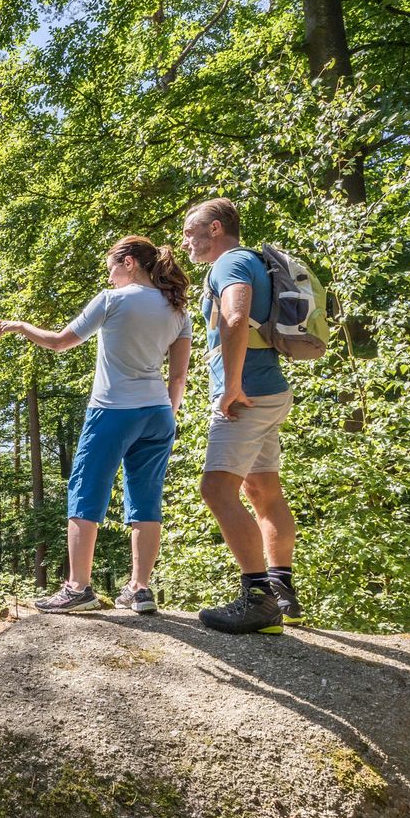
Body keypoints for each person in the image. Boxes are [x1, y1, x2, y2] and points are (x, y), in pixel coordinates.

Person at [0, 235, 192, 614]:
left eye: (112, 267)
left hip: (113, 409)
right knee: (146, 498)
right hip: (159, 413)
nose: (110, 275)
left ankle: (78, 588)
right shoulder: (177, 308)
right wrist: (169, 414)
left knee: (86, 489)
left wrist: (20, 326)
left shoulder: (112, 300)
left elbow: (60, 342)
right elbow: (178, 377)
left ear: (128, 262)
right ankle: (140, 590)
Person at [178, 197, 300, 634]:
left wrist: (230, 386)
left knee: (216, 489)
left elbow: (234, 317)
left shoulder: (229, 263)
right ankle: (281, 587)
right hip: (270, 392)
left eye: (192, 231)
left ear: (215, 229)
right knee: (262, 489)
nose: (186, 240)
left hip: (246, 395)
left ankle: (259, 601)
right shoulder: (253, 262)